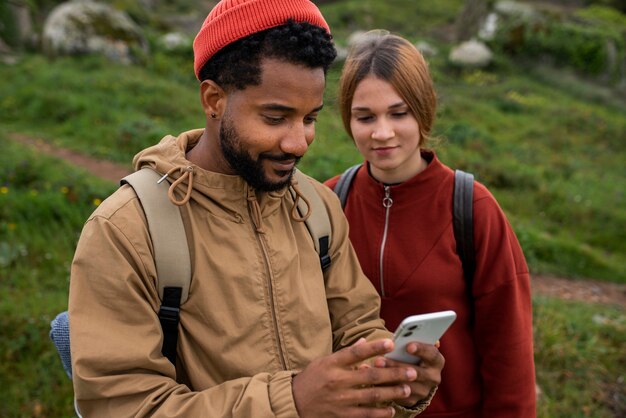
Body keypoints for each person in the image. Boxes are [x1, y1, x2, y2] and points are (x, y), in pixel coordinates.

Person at [68, 2, 446, 417]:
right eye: (275, 117)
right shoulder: (125, 230)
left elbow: (357, 329)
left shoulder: (318, 208)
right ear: (214, 99)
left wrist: (392, 377)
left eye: (310, 118)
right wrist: (295, 402)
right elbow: (123, 406)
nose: (298, 143)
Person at [325, 30, 536, 417]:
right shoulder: (328, 203)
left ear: (424, 110)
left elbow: (510, 351)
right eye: (365, 116)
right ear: (347, 120)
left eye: (398, 113)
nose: (382, 133)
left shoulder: (473, 208)